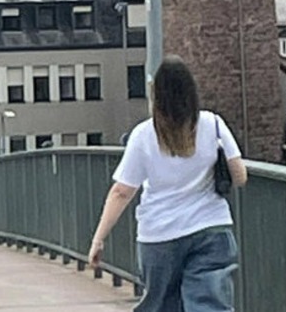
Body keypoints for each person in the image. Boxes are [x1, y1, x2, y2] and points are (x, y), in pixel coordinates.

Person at [88, 55, 248, 312]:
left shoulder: (143, 135)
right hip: (211, 228)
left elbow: (121, 191)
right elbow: (240, 176)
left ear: (156, 95)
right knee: (211, 306)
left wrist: (98, 239)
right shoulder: (213, 124)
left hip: (160, 235)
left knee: (161, 305)